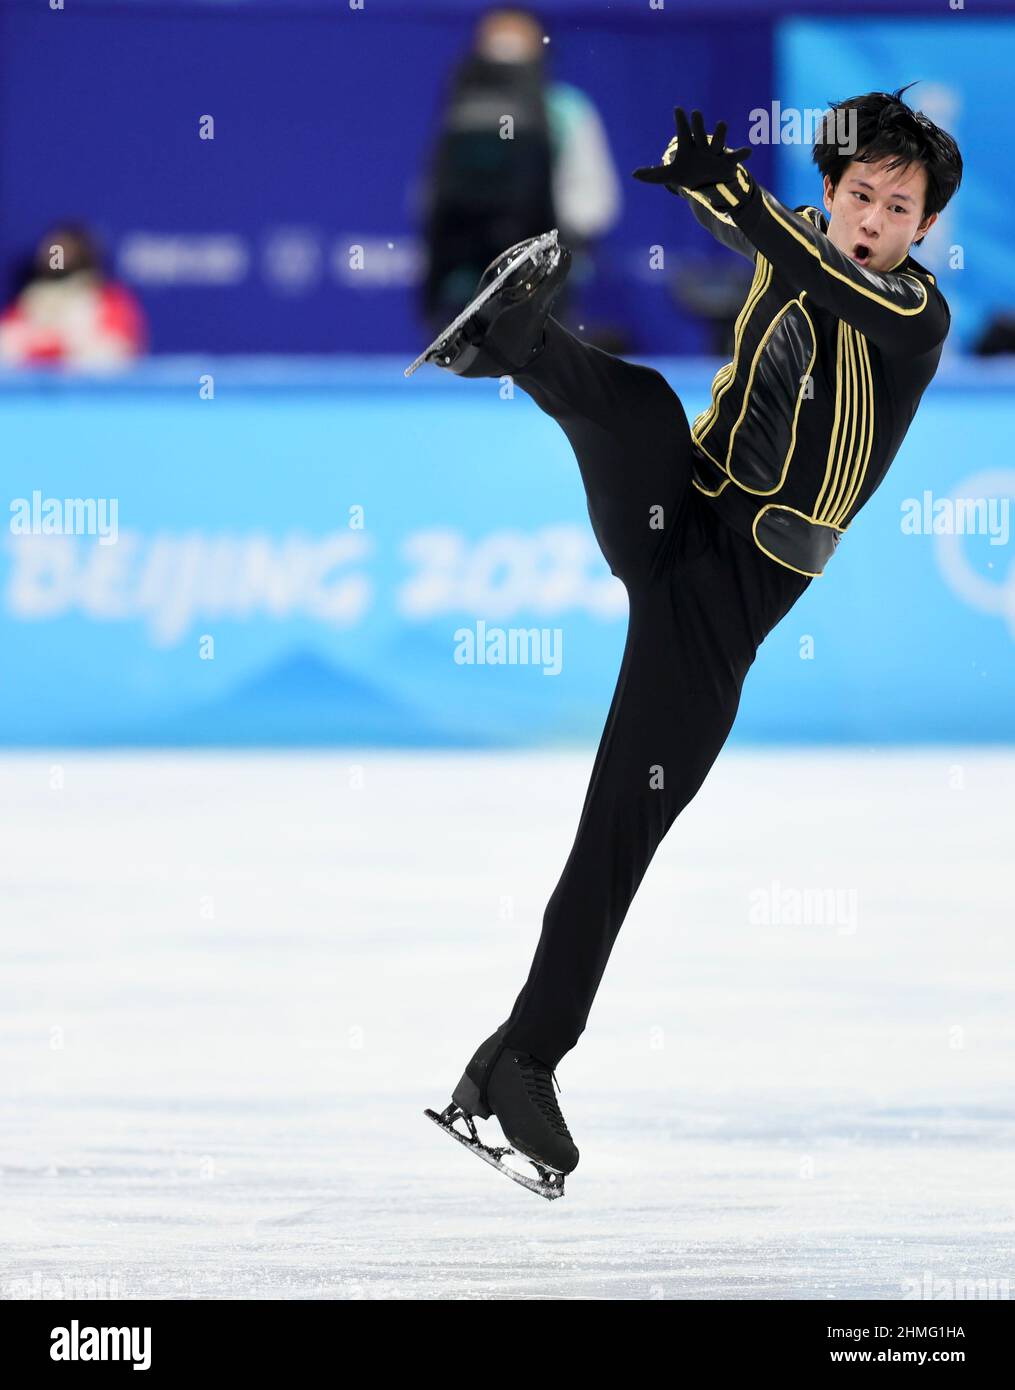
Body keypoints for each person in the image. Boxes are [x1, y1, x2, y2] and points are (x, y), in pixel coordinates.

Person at [415, 86, 962, 1193]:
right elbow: (763, 238)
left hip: (724, 601)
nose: (873, 219)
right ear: (833, 192)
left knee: (615, 834)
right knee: (643, 409)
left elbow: (813, 275)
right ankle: (514, 342)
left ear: (921, 228)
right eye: (860, 194)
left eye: (897, 208)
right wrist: (709, 183)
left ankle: (510, 1059)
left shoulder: (914, 318)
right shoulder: (797, 234)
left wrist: (735, 196)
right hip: (672, 512)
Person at [420, 5, 620, 337]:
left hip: (544, 278)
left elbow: (596, 203)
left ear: (540, 53)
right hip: (467, 279)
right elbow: (430, 196)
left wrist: (541, 238)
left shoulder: (568, 111)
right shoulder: (460, 111)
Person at [0, 223, 146, 368]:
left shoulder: (110, 299)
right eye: (52, 250)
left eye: (65, 250)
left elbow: (114, 354)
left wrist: (59, 343)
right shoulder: (32, 298)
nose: (55, 256)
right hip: (33, 387)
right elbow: (6, 346)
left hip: (88, 388)